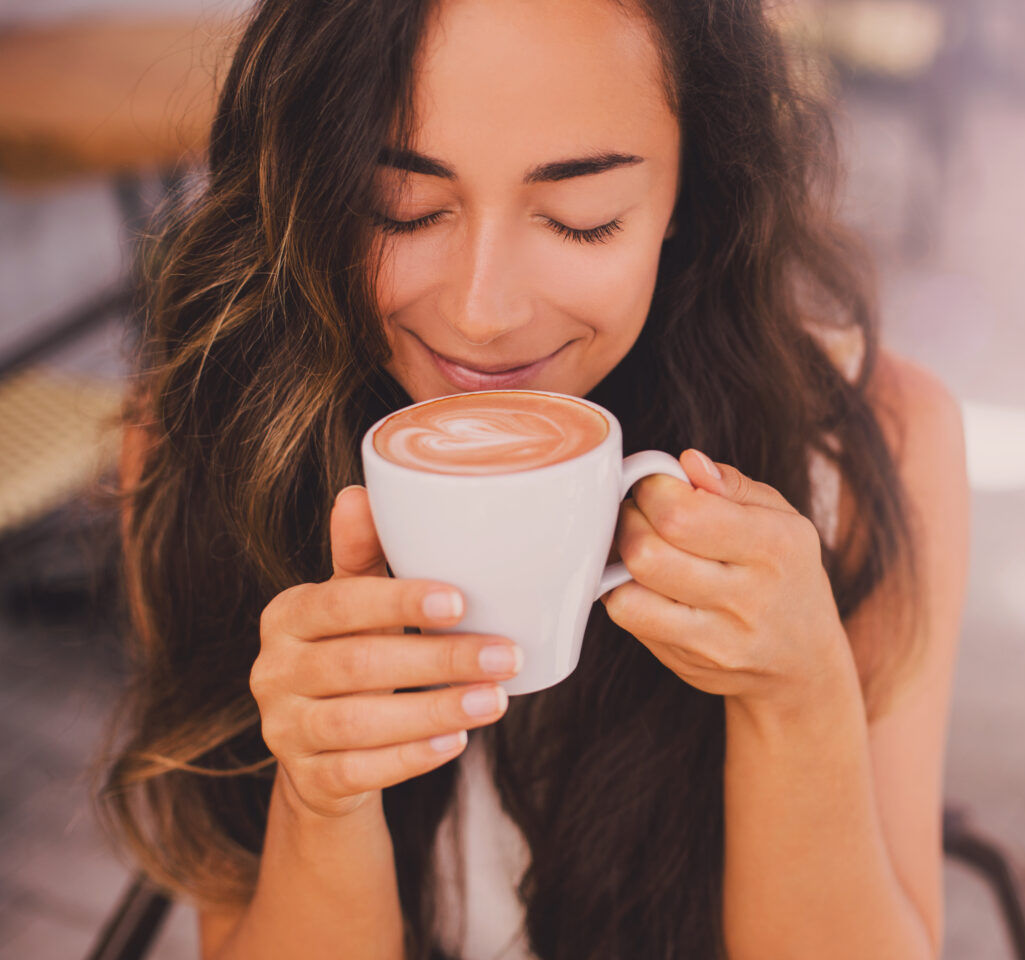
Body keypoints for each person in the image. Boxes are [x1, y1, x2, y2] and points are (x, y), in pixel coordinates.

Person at [99, 0, 969, 958]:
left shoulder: (868, 449)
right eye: (402, 209)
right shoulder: (215, 442)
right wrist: (323, 798)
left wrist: (800, 699)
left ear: (692, 191)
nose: (481, 313)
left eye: (580, 220)